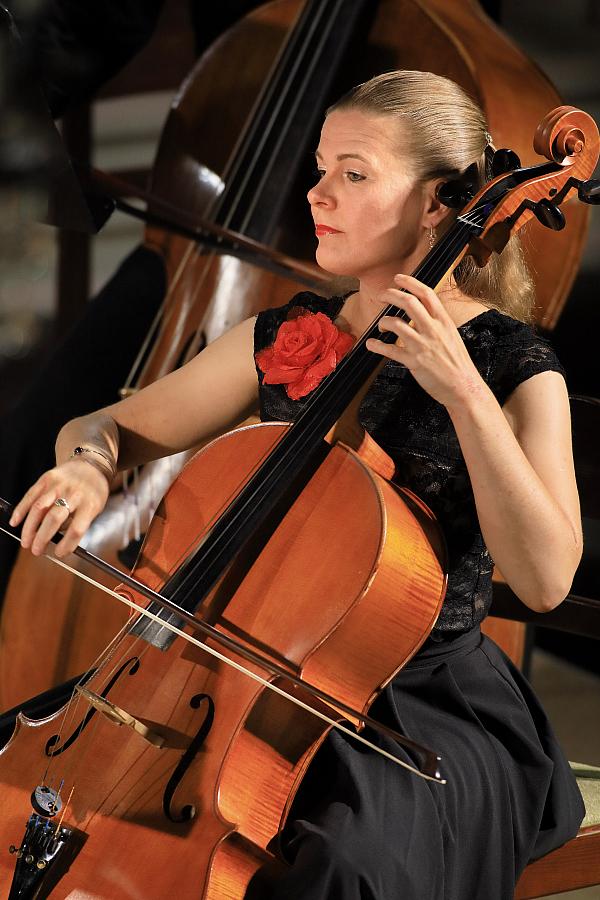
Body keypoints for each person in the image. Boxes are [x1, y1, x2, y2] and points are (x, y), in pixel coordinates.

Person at [9, 70, 585, 899]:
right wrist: (87, 468)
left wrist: (463, 394)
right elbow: (102, 428)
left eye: (354, 174)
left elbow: (547, 576)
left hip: (414, 710)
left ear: (436, 205)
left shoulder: (512, 367)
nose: (318, 193)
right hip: (232, 673)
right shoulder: (289, 333)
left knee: (335, 867)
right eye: (322, 168)